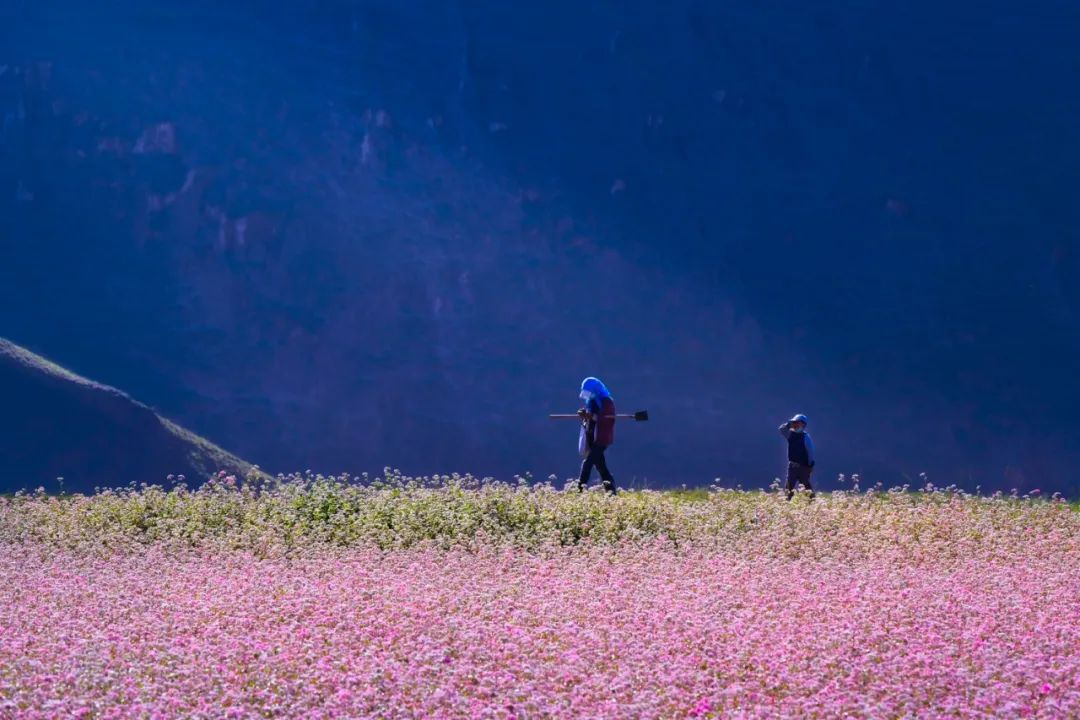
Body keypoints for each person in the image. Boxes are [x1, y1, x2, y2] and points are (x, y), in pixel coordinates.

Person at [577, 377, 617, 495]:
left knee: (588, 463)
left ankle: (579, 490)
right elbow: (590, 416)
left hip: (601, 438)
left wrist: (592, 416)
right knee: (601, 466)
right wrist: (584, 415)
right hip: (592, 437)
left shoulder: (607, 402)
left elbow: (607, 420)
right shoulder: (591, 401)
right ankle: (611, 491)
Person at [778, 414, 815, 500]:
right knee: (789, 487)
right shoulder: (791, 434)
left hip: (804, 467)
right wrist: (788, 424)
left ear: (803, 425)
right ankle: (786, 502)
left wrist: (810, 465)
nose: (795, 425)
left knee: (806, 487)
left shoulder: (806, 437)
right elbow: (781, 429)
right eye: (794, 423)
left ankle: (812, 502)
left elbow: (810, 452)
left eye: (797, 423)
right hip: (792, 466)